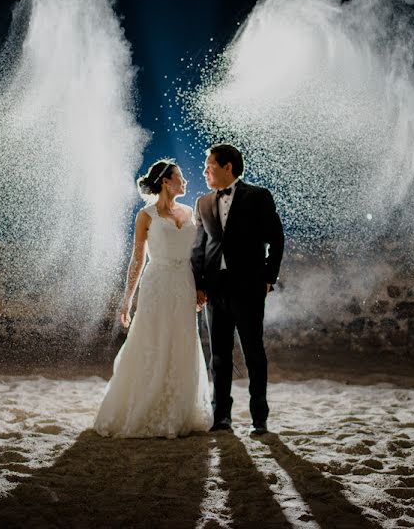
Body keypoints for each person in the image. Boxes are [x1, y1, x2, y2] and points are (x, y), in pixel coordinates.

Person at [94, 159, 213, 438]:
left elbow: (197, 254)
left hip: (184, 282)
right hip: (157, 284)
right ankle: (146, 408)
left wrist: (199, 286)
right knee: (152, 340)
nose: (185, 181)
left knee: (183, 341)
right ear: (165, 182)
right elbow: (137, 260)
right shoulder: (146, 216)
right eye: (180, 177)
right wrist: (126, 300)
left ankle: (180, 410)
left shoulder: (190, 212)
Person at [191, 144, 284, 434]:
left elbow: (277, 239)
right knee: (218, 356)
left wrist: (268, 278)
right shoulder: (203, 202)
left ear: (227, 167)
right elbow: (200, 246)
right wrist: (198, 284)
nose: (205, 171)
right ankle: (222, 418)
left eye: (210, 166)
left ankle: (259, 418)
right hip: (215, 290)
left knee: (254, 353)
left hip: (249, 287)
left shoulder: (258, 196)